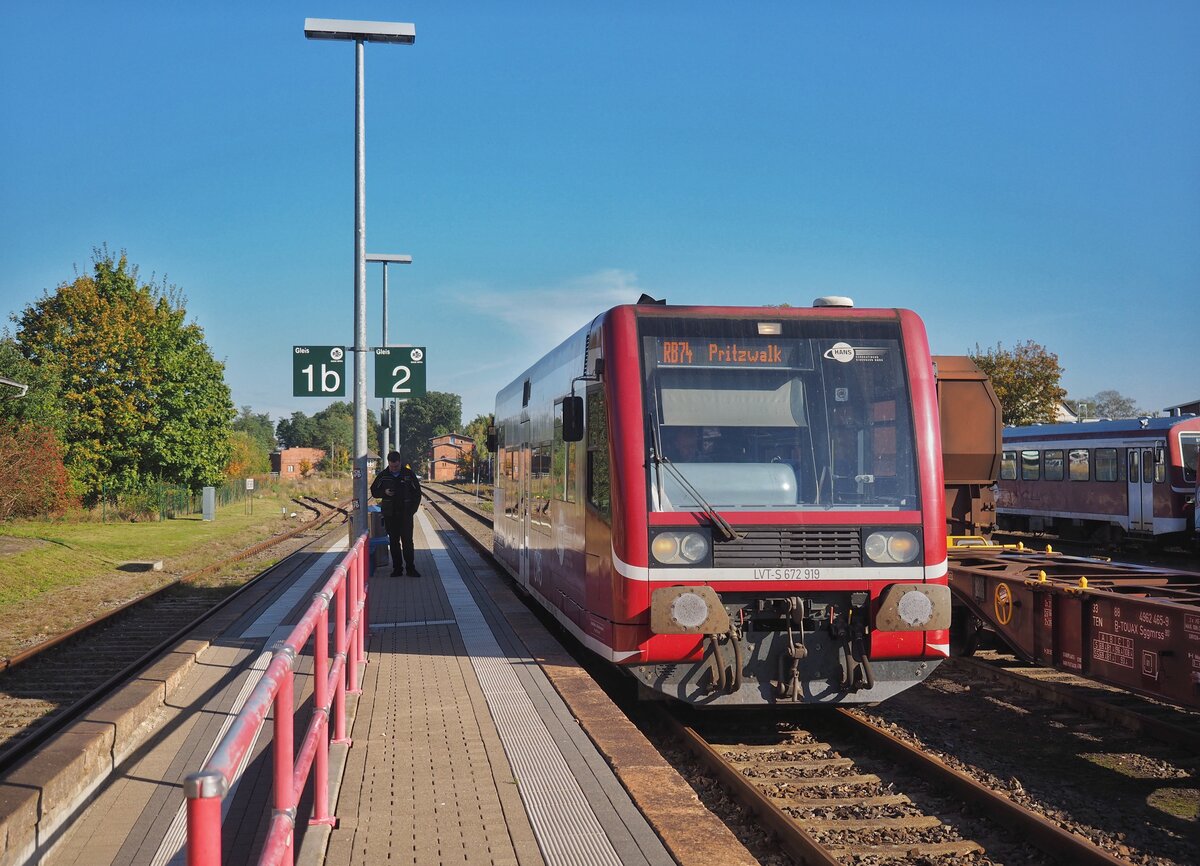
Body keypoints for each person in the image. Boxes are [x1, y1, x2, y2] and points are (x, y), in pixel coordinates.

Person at [370, 451, 423, 577]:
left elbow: (417, 493)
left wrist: (412, 510)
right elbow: (374, 491)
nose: (394, 469)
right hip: (390, 514)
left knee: (407, 542)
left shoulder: (408, 474)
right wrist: (384, 492)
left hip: (406, 514)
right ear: (388, 463)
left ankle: (410, 568)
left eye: (396, 466)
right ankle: (397, 569)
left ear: (400, 462)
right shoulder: (383, 475)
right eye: (392, 466)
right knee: (394, 542)